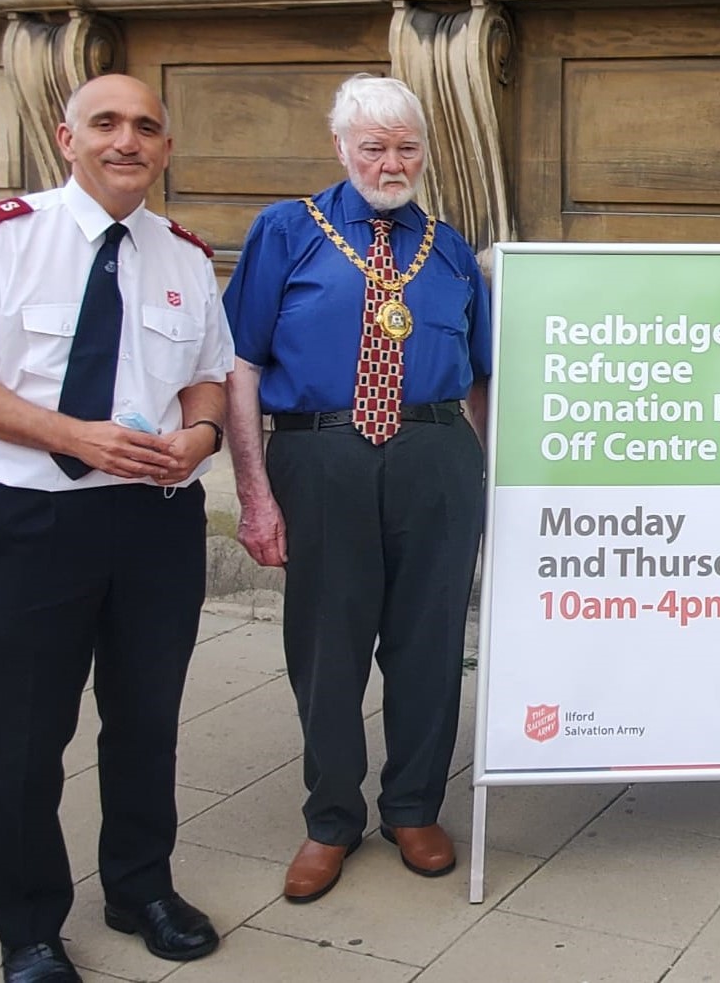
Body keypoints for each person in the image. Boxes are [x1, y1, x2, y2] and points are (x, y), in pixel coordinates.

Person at [0, 75, 233, 982]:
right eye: (107, 124)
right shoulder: (1, 238)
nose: (127, 140)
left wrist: (201, 434)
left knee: (146, 721)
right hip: (39, 522)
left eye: (146, 127)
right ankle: (28, 924)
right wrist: (69, 434)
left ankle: (139, 885)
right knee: (22, 735)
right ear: (67, 137)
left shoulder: (184, 254)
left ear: (165, 149)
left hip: (157, 524)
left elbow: (209, 375)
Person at [224, 74, 489, 903]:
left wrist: (488, 476)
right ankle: (331, 817)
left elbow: (483, 379)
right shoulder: (286, 231)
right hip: (322, 453)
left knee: (430, 644)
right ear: (340, 147)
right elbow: (238, 365)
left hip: (437, 453)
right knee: (327, 649)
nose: (391, 160)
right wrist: (255, 493)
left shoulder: (450, 247)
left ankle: (413, 806)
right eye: (373, 145)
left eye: (406, 145)